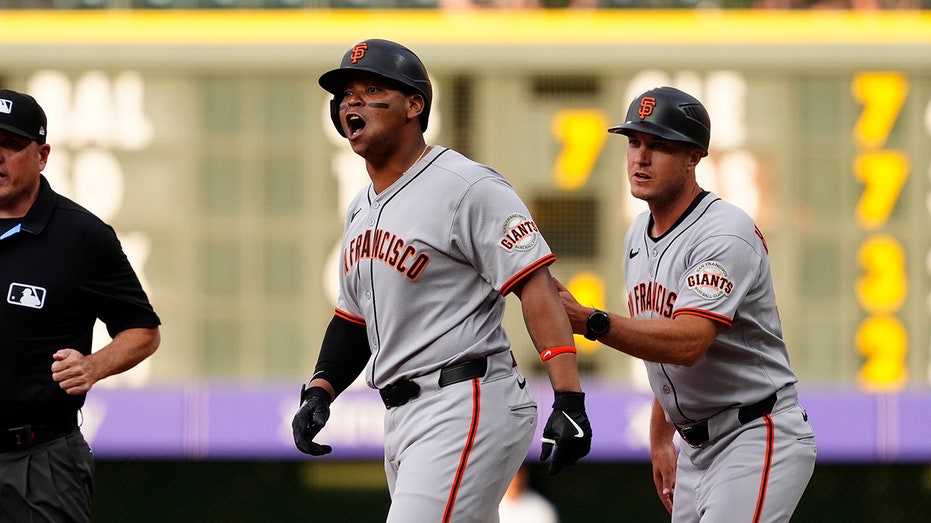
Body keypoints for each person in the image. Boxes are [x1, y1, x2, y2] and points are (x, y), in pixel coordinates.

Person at [292, 39, 592, 523]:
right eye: (346, 94)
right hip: (405, 416)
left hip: (466, 400)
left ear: (414, 105)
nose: (353, 102)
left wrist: (570, 398)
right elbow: (352, 321)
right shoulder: (361, 208)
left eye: (372, 90)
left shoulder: (467, 186)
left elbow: (536, 287)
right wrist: (320, 391)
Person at [555, 86, 816, 522]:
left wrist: (592, 322)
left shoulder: (724, 232)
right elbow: (662, 346)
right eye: (634, 141)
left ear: (694, 157)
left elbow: (687, 342)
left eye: (659, 146)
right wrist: (661, 436)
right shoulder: (637, 234)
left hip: (754, 432)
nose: (641, 157)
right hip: (695, 448)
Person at [0, 88, 161, 522]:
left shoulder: (81, 236)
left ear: (42, 154)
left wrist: (92, 366)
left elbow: (143, 331)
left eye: (11, 145)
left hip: (38, 460)